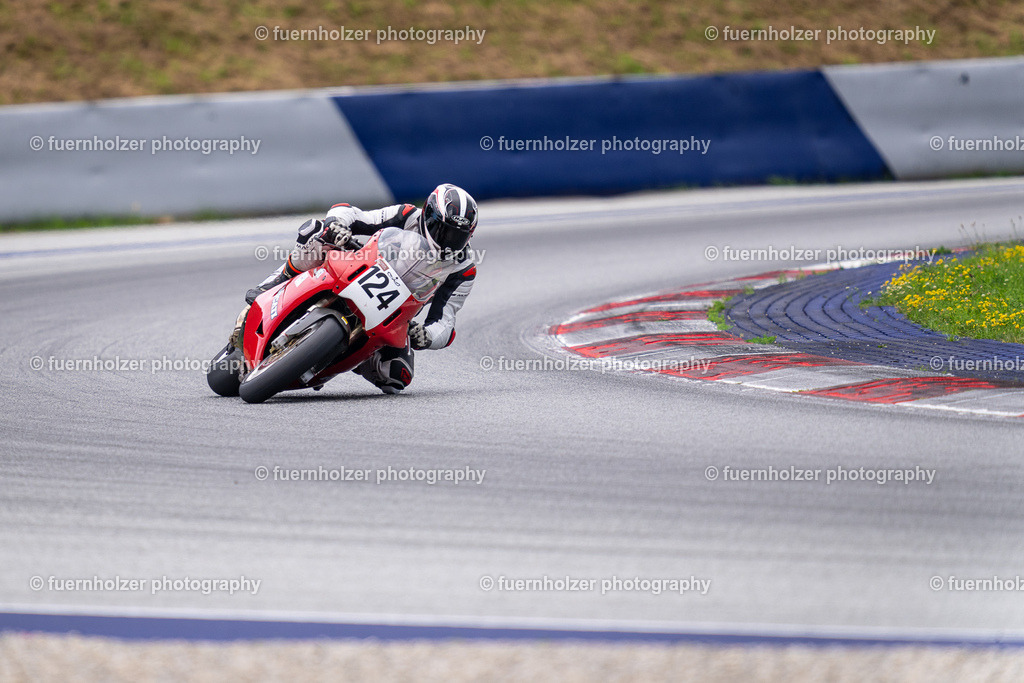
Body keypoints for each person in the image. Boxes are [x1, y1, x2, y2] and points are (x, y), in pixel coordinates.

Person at [244, 183, 479, 394]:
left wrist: (427, 337)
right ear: (428, 216)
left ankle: (351, 358)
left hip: (394, 315)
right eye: (444, 230)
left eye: (457, 236)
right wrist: (337, 225)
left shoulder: (463, 269)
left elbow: (445, 323)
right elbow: (352, 213)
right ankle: (276, 281)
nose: (448, 240)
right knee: (318, 233)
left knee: (398, 376)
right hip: (359, 266)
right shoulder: (407, 215)